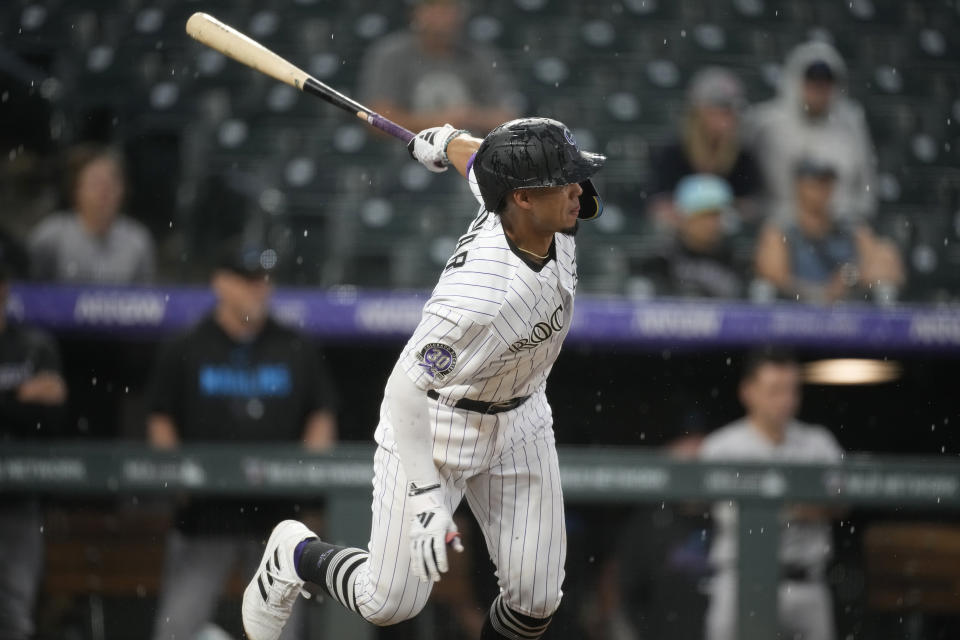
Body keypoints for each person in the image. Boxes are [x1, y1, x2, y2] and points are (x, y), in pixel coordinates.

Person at [240, 117, 605, 640]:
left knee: (537, 598)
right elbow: (402, 391)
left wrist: (446, 140)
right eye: (563, 179)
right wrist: (426, 496)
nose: (578, 190)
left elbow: (481, 160)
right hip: (439, 420)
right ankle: (294, 554)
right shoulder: (477, 296)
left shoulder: (529, 203)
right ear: (522, 198)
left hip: (521, 413)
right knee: (388, 602)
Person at [148, 242, 337, 640]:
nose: (259, 288)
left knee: (281, 631)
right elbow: (160, 417)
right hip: (205, 514)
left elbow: (320, 415)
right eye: (248, 280)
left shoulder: (294, 345)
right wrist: (178, 478)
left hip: (277, 515)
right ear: (221, 283)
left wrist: (305, 476)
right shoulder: (188, 345)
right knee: (178, 627)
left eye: (264, 280)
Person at [699, 348, 843, 640]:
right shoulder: (722, 446)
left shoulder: (819, 443)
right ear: (748, 392)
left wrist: (775, 503)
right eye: (774, 390)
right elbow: (735, 516)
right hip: (740, 581)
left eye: (792, 390)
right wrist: (799, 505)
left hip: (806, 581)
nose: (785, 400)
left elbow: (840, 503)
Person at [0, 260, 68, 640]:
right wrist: (19, 396)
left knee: (13, 617)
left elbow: (53, 417)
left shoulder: (32, 344)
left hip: (19, 499)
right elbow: (31, 409)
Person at [745, 41, 877, 223]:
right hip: (779, 225)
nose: (818, 90)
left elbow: (865, 193)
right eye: (812, 81)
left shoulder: (851, 124)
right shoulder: (766, 124)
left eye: (826, 82)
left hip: (839, 228)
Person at [357, 0, 519, 134]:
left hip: (468, 158)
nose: (441, 17)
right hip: (404, 154)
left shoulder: (481, 56)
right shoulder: (391, 55)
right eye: (433, 7)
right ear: (415, 12)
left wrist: (467, 115)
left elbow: (508, 119)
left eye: (448, 8)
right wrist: (437, 122)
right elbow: (376, 119)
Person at [755, 158, 904, 304]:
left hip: (847, 313)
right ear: (799, 185)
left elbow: (888, 267)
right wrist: (822, 293)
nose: (822, 189)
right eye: (815, 182)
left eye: (827, 182)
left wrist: (850, 276)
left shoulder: (850, 227)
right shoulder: (782, 229)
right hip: (797, 312)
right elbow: (772, 274)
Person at [649, 67, 763, 227]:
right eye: (718, 109)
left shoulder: (743, 155)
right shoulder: (673, 151)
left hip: (725, 239)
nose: (725, 117)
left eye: (730, 110)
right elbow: (660, 205)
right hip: (680, 237)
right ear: (699, 111)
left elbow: (751, 205)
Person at [28, 144, 155, 284]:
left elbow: (146, 299)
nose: (104, 191)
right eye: (96, 183)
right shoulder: (50, 237)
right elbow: (30, 292)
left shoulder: (138, 240)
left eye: (111, 183)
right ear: (76, 189)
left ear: (123, 189)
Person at [639, 174, 747, 298]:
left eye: (716, 216)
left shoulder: (734, 259)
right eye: (703, 216)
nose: (711, 224)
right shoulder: (662, 260)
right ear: (683, 217)